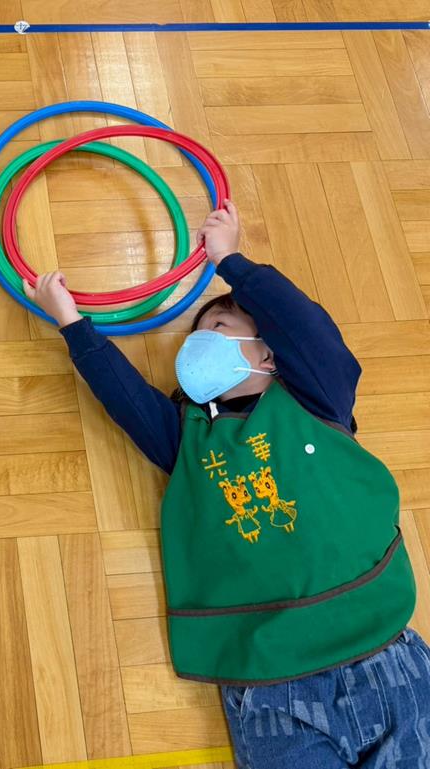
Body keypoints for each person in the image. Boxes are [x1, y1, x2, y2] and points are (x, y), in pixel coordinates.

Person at [25, 201, 430, 768]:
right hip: (268, 684)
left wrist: (231, 263)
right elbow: (125, 398)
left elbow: (307, 329)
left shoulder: (317, 397)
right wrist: (71, 323)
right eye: (195, 337)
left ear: (270, 353)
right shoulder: (187, 436)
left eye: (217, 327)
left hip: (383, 652)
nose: (199, 344)